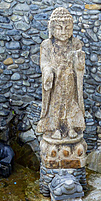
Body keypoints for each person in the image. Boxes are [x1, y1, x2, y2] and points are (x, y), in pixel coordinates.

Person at [37, 8, 86, 140]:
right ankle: (56, 128)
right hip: (56, 81)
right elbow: (44, 63)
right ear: (52, 29)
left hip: (70, 80)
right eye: (59, 28)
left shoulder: (75, 43)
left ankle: (70, 127)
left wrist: (79, 62)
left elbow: (79, 64)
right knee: (56, 105)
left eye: (67, 28)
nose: (64, 32)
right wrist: (48, 72)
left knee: (70, 104)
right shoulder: (47, 45)